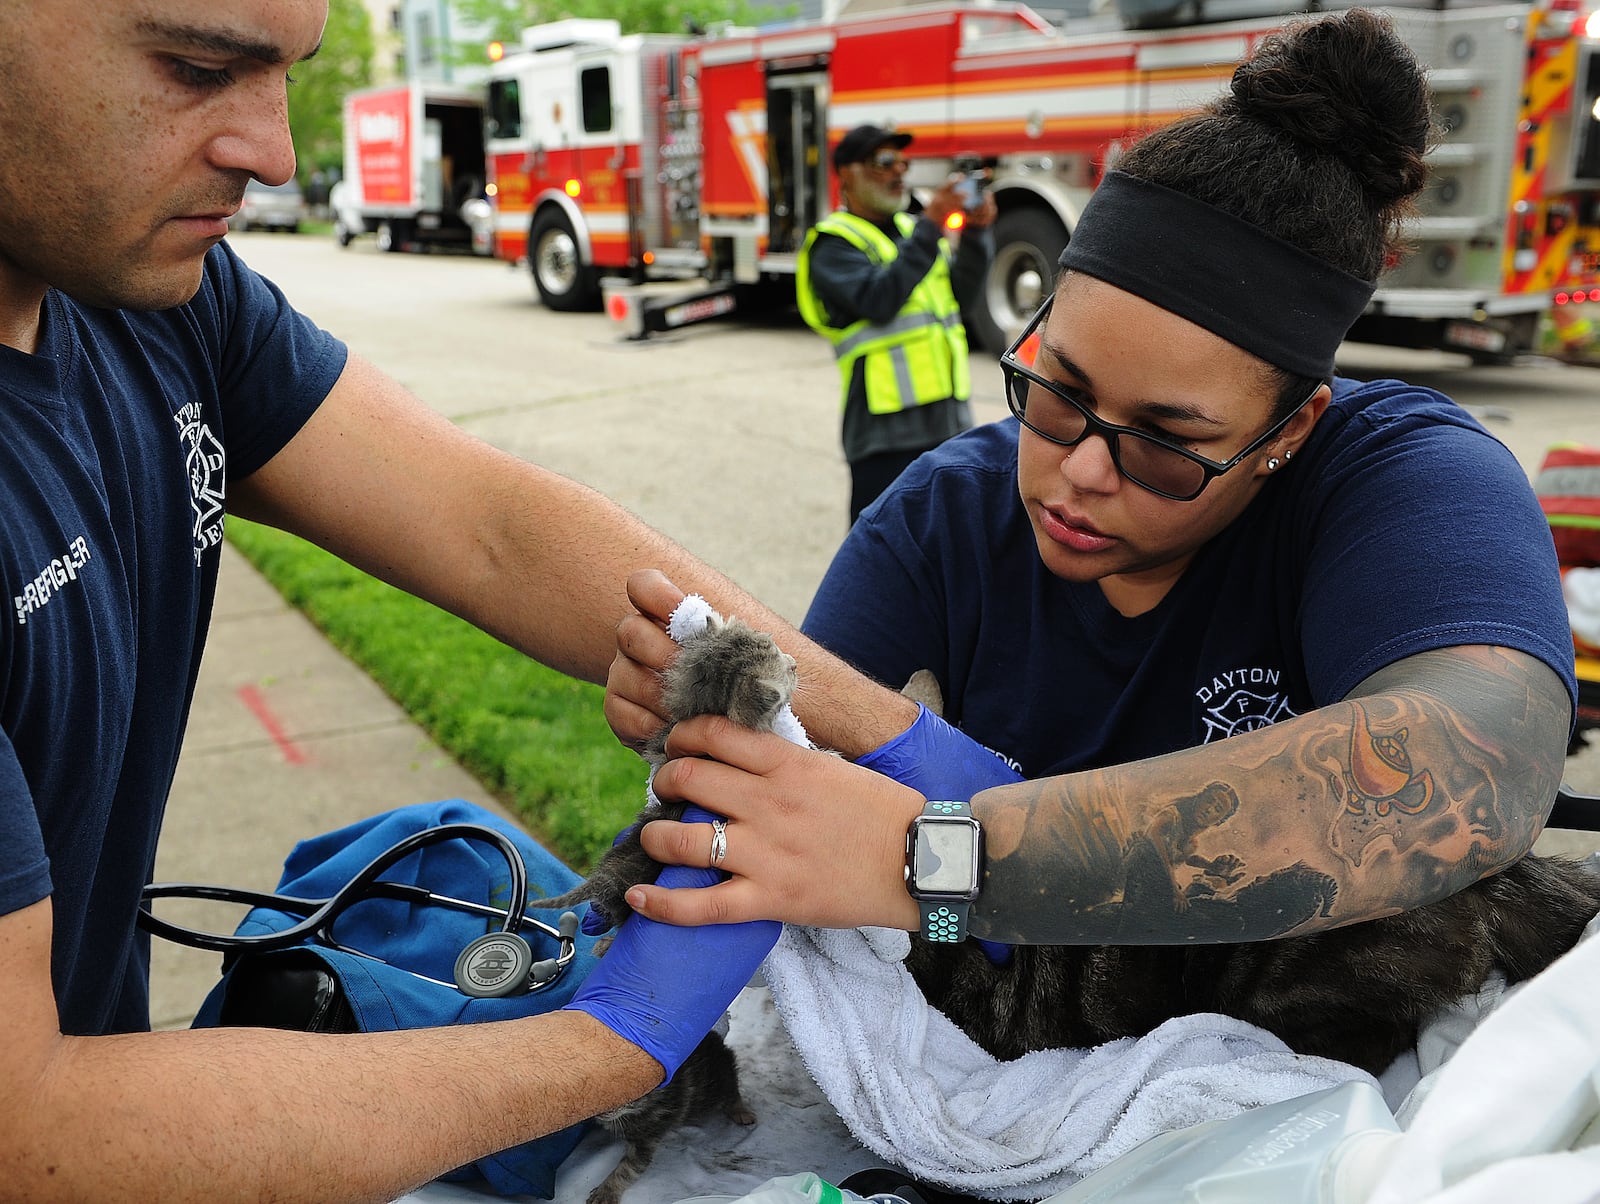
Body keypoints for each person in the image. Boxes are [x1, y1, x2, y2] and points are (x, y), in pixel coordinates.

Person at [0, 2, 921, 1199]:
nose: (274, 153)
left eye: (288, 75)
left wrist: (909, 749)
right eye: (197, 68)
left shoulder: (155, 305)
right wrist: (610, 1043)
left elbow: (487, 524)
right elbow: (29, 1124)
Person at [607, 10, 1578, 951]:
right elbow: (771, 801)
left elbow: (1470, 769)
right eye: (1058, 390)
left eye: (1165, 440)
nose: (1077, 469)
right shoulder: (945, 521)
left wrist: (929, 861)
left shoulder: (1396, 483)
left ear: (1290, 428)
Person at [796, 124, 997, 525]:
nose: (898, 172)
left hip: (949, 422)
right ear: (847, 174)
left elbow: (960, 297)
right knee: (882, 555)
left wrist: (978, 234)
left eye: (903, 162)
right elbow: (879, 300)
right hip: (883, 437)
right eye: (884, 162)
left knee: (952, 548)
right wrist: (931, 225)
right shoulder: (832, 244)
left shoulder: (911, 230)